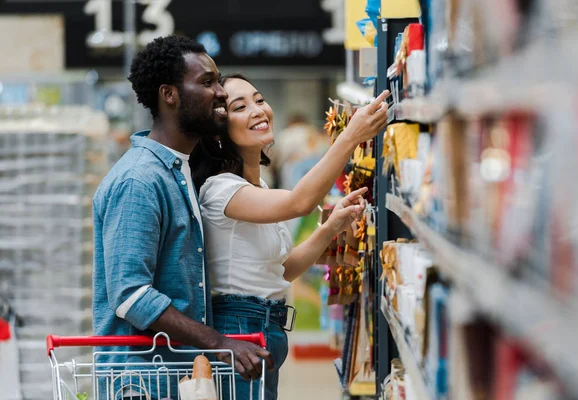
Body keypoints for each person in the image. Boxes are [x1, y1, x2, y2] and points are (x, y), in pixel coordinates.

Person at [92, 37, 273, 399]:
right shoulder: (139, 180)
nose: (221, 92)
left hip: (174, 376)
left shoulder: (178, 172)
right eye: (207, 83)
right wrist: (220, 342)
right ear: (169, 94)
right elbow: (130, 295)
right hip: (140, 383)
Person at [190, 73, 389, 399]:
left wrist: (330, 228)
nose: (258, 110)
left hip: (265, 329)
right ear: (220, 133)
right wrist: (349, 137)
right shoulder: (220, 189)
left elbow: (282, 270)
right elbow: (300, 202)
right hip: (239, 331)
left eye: (259, 99)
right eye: (240, 107)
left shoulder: (259, 188)